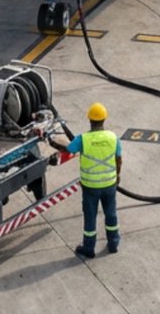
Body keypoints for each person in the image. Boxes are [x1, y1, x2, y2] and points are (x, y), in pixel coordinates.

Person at [64, 102, 122, 257]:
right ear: (104, 119)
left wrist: (48, 140)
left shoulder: (82, 139)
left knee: (90, 217)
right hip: (110, 184)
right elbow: (118, 159)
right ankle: (113, 243)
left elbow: (67, 149)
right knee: (111, 213)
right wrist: (117, 176)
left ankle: (89, 248)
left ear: (89, 119)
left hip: (90, 187)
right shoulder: (113, 137)